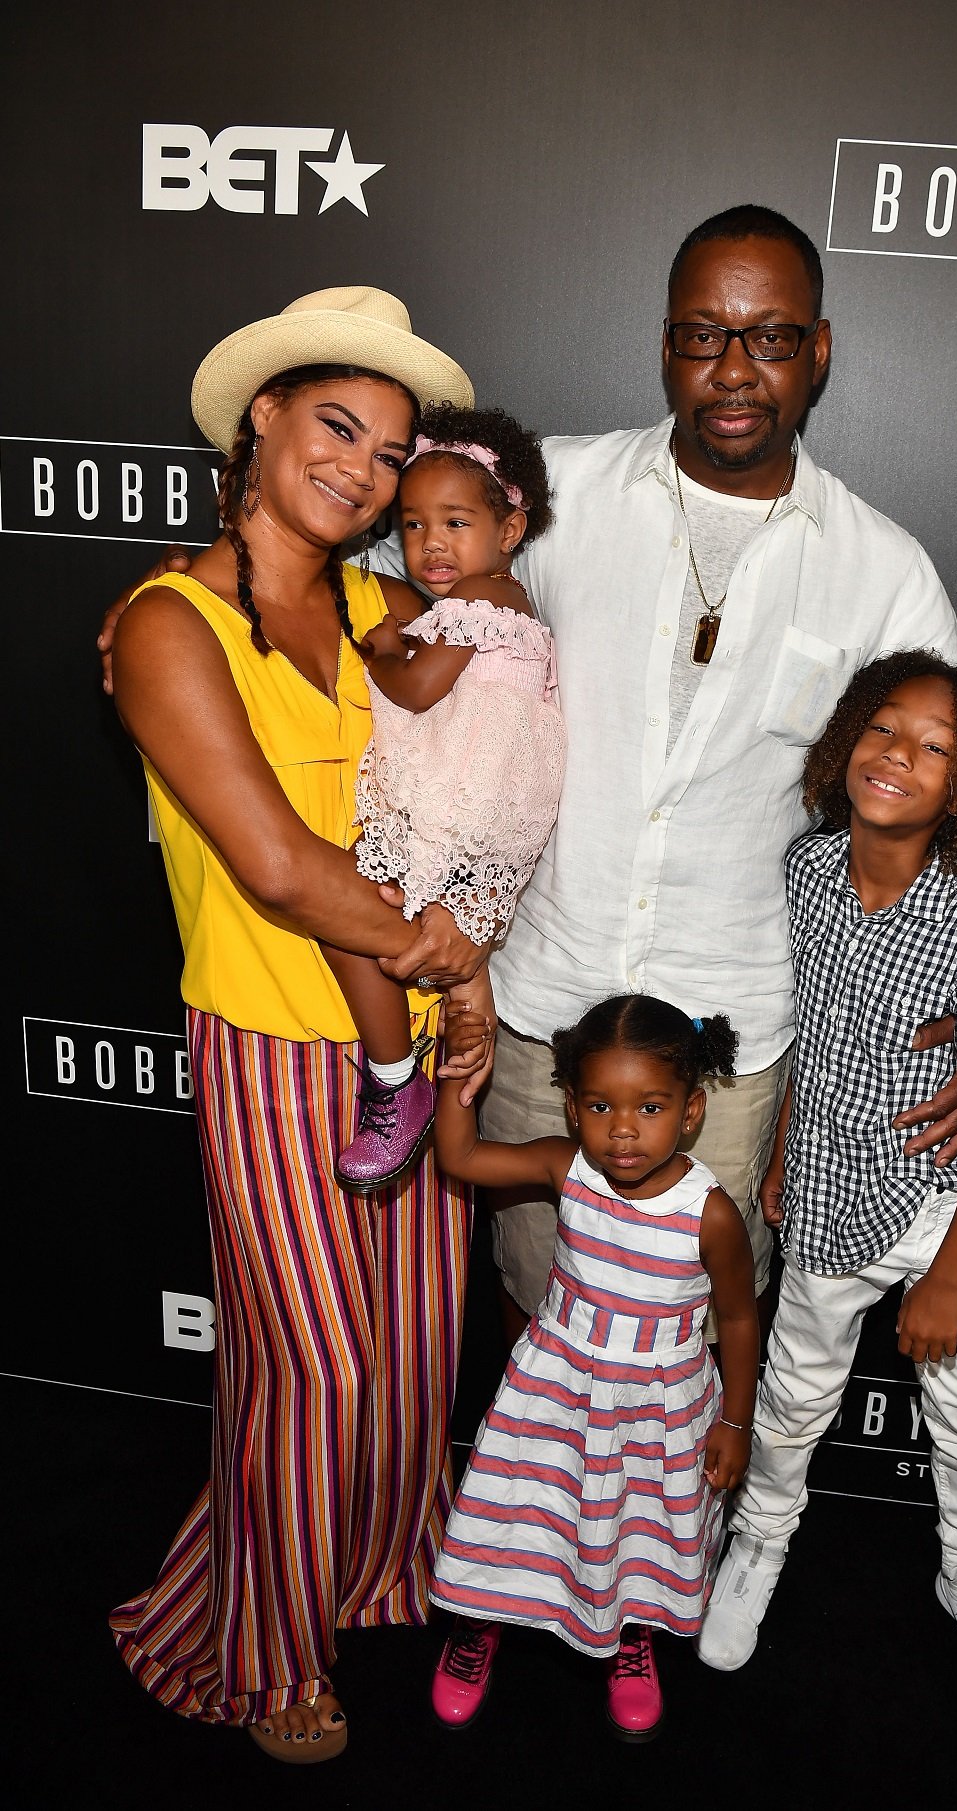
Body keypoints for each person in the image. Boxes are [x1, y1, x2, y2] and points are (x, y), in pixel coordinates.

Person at [98, 207, 957, 1345]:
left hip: (731, 1040)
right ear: (665, 345)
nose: (735, 367)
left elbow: (942, 812)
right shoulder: (547, 493)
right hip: (530, 1015)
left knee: (699, 1333)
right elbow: (329, 554)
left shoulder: (883, 570)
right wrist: (166, 590)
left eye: (770, 336)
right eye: (704, 334)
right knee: (534, 1309)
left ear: (818, 351)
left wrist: (936, 1019)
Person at [105, 285, 493, 1764]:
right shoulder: (165, 622)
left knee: (407, 1349)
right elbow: (273, 863)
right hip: (270, 1047)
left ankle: (373, 1570)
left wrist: (465, 972)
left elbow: (500, 658)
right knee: (312, 1365)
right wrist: (445, 956)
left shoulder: (383, 608)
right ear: (260, 418)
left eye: (393, 453)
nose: (364, 470)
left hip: (409, 1029)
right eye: (338, 425)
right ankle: (257, 1656)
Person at [697, 651, 957, 1713]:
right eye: (885, 726)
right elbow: (816, 1024)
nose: (899, 753)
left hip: (941, 1209)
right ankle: (757, 1547)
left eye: (936, 747)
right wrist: (786, 1141)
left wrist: (948, 1273)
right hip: (824, 1195)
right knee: (796, 1399)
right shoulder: (806, 872)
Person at [426, 994, 759, 1742]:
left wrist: (737, 1418)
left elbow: (738, 1317)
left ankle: (631, 1629)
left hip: (659, 1403)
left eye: (650, 1105)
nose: (624, 1128)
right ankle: (483, 1614)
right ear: (573, 1108)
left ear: (692, 1108)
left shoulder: (709, 1213)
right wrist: (457, 1073)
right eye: (602, 1104)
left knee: (635, 1522)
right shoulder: (563, 1165)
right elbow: (459, 1157)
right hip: (557, 1385)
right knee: (519, 1506)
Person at [321, 403, 565, 1195]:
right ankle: (464, 1012)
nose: (431, 545)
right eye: (415, 523)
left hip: (461, 805)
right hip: (482, 816)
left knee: (350, 914)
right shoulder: (492, 600)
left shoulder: (483, 602)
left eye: (457, 522)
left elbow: (422, 690)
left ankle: (395, 1078)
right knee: (441, 954)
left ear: (510, 528)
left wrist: (386, 650)